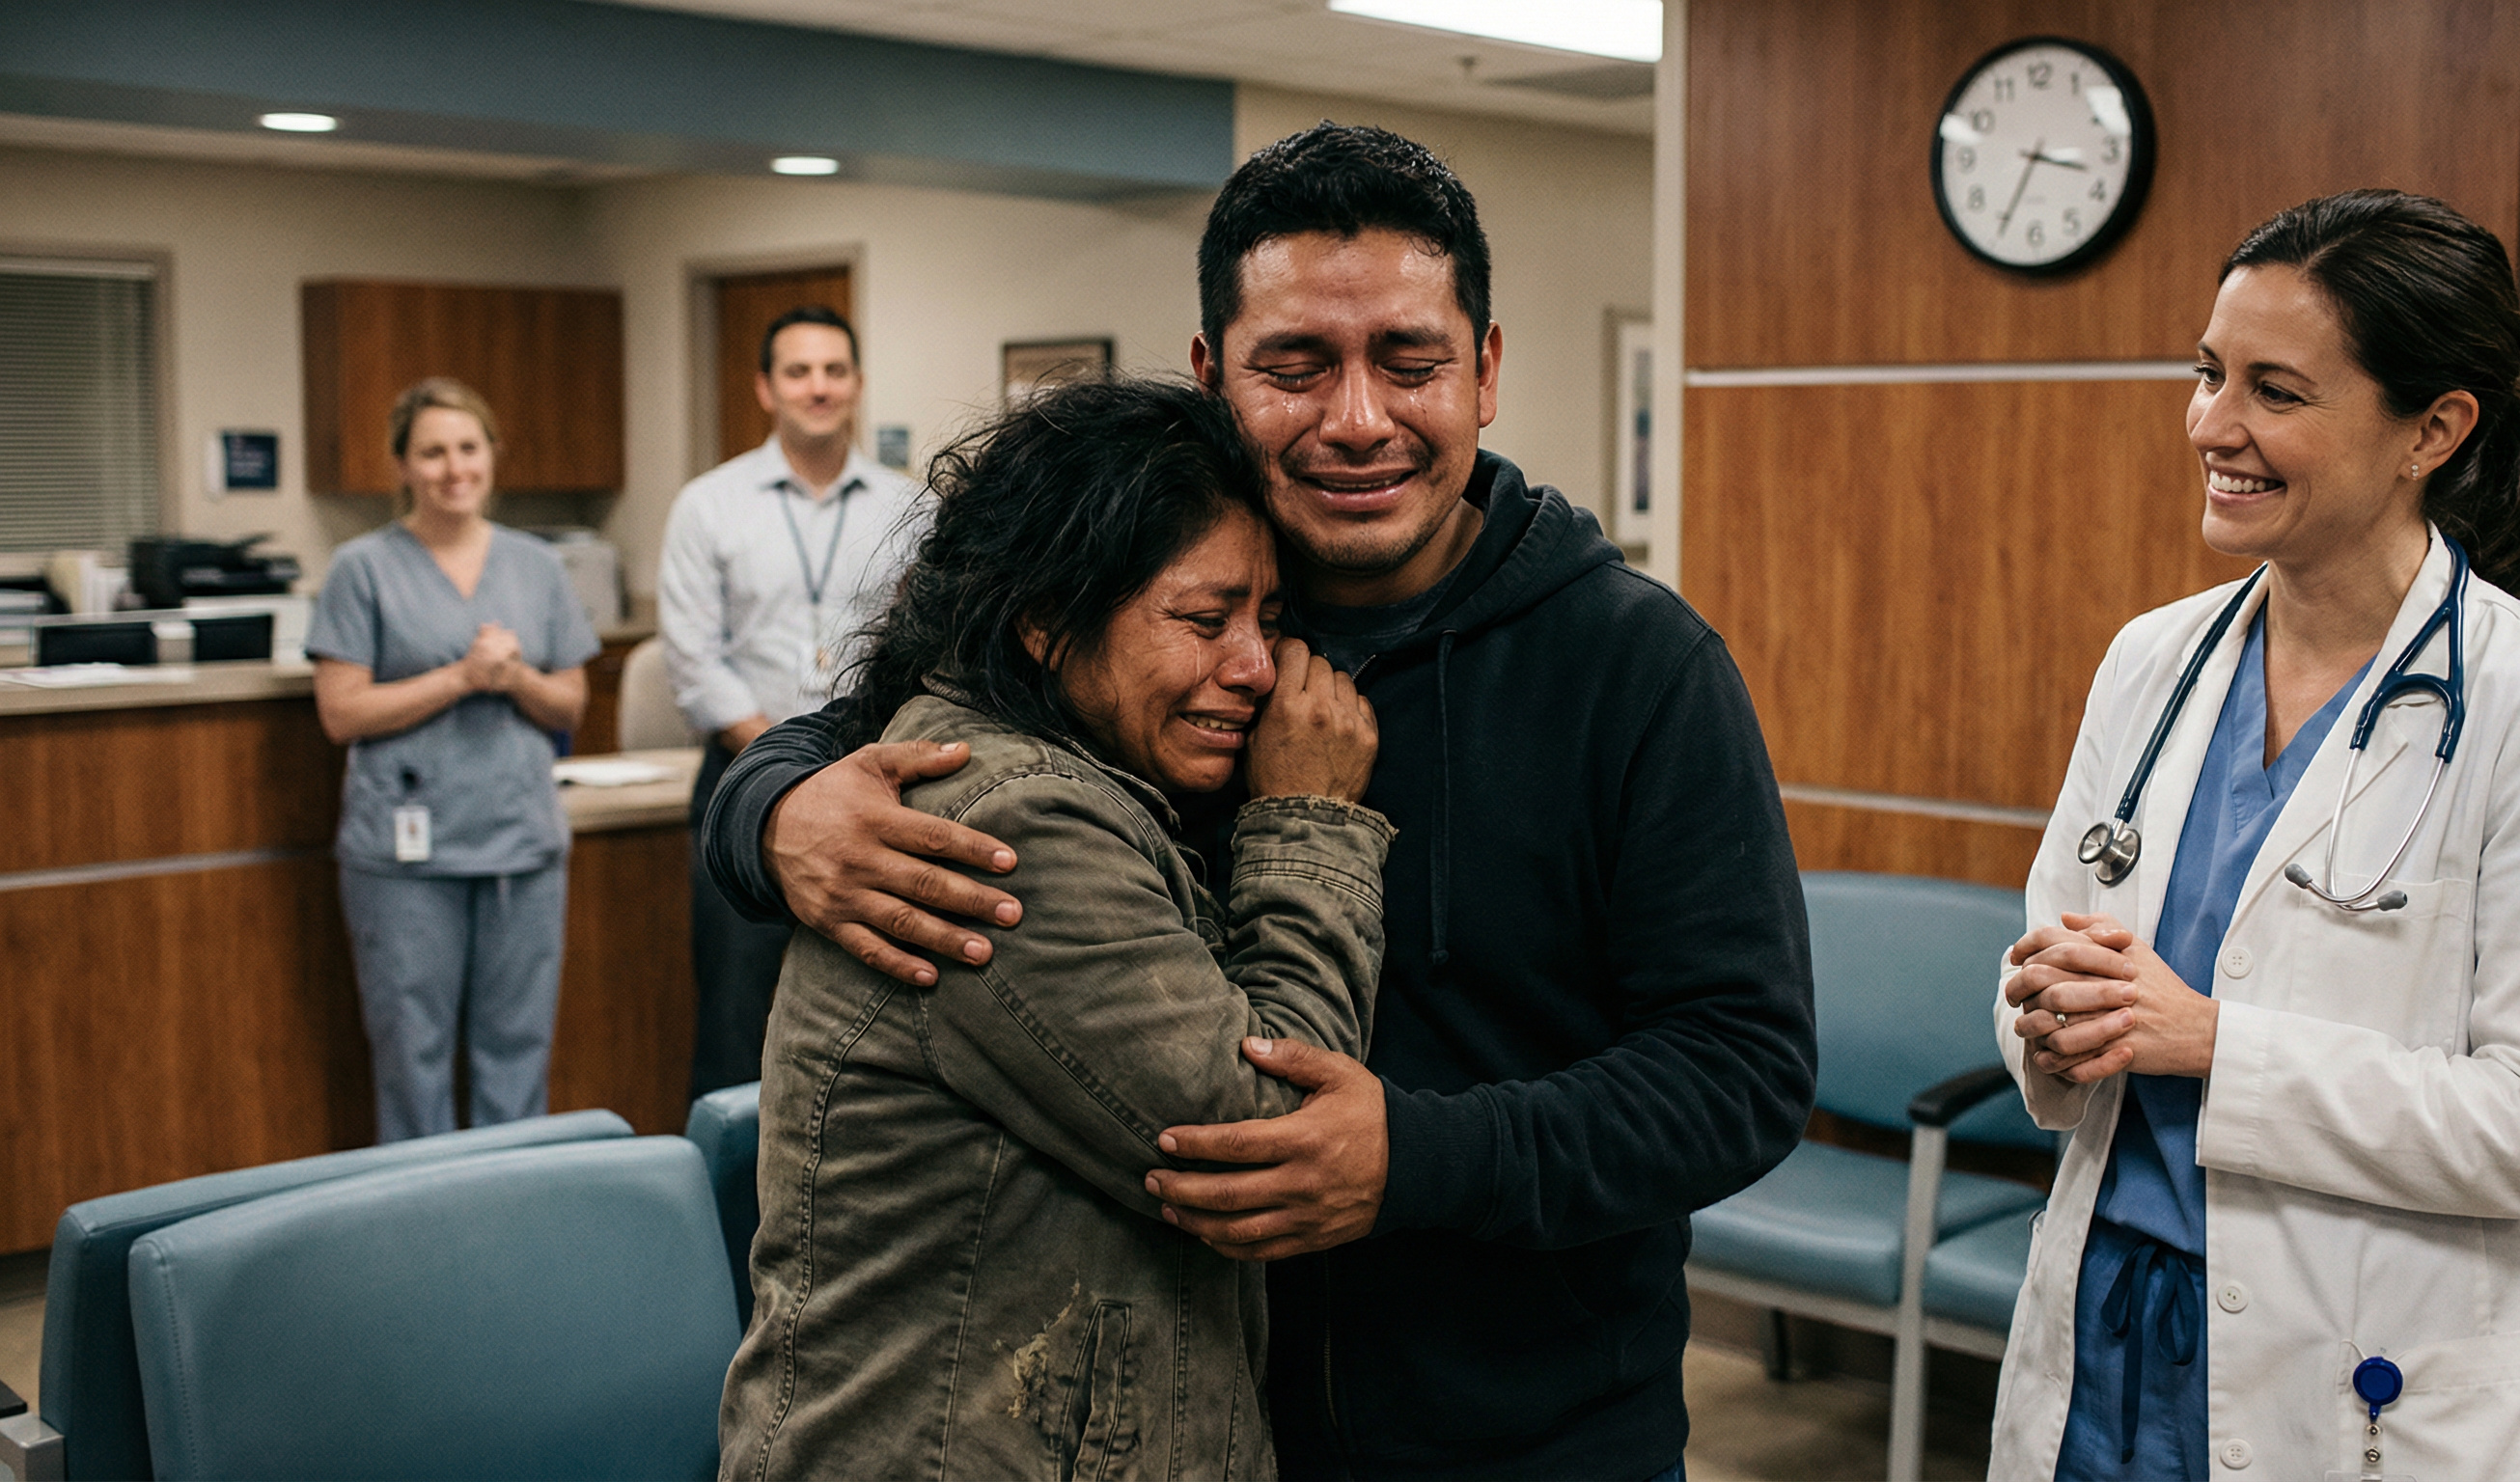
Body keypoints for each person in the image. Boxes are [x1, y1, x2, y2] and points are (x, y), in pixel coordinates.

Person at [703, 124, 1816, 1480]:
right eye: (1295, 367)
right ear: (1210, 376)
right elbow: (915, 701)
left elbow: (1740, 1074)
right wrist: (771, 806)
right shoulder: (1130, 597)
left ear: (1487, 370)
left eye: (1410, 361)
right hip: (1195, 1425)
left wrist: (1418, 1155)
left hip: (1535, 1433)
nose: (1358, 419)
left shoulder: (1638, 667)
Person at [1993, 190, 2520, 1481]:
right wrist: (2047, 1021)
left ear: (2434, 428)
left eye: (2275, 392)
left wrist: (2214, 1043)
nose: (2211, 426)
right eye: (2207, 373)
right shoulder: (2153, 664)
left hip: (2372, 1393)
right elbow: (2064, 979)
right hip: (2106, 1341)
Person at [716, 375, 1391, 1479]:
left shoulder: (1065, 761)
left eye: (1269, 622)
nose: (1257, 671)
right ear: (1043, 618)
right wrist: (1307, 820)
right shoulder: (1008, 817)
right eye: (1202, 618)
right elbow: (1270, 1129)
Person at [309, 377, 602, 1143]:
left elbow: (570, 705)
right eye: (431, 452)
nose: (453, 468)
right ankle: (420, 1240)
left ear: (493, 455)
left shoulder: (536, 567)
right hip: (408, 856)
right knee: (414, 1059)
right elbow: (341, 712)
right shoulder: (361, 569)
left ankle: (510, 1230)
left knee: (516, 1057)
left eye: (468, 448)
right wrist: (459, 678)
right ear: (401, 465)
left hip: (521, 842)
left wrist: (516, 679)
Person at [657, 304, 927, 1100]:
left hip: (876, 785)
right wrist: (788, 768)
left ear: (858, 384)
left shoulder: (906, 506)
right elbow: (694, 661)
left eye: (834, 371)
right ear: (765, 388)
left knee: (870, 1020)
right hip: (744, 789)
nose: (819, 387)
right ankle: (731, 1216)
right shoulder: (710, 505)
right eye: (799, 372)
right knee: (738, 1023)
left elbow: (924, 643)